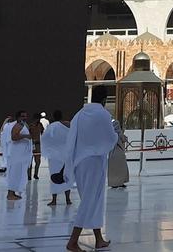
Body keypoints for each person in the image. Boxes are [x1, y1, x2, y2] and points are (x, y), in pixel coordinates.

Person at [64, 85, 117, 252]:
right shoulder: (103, 114)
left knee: (94, 199)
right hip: (93, 161)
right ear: (105, 99)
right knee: (89, 200)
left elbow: (72, 138)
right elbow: (110, 137)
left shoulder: (79, 114)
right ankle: (73, 241)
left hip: (80, 162)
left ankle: (98, 239)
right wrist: (117, 135)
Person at [43, 110, 74, 206]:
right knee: (66, 176)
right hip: (66, 154)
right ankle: (68, 199)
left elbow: (45, 139)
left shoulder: (51, 127)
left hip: (54, 156)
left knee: (54, 176)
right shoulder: (68, 125)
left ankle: (54, 200)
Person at [7, 110, 34, 201]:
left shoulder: (24, 126)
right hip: (17, 155)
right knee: (14, 173)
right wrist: (25, 136)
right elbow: (14, 137)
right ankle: (10, 194)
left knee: (18, 174)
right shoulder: (17, 126)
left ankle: (13, 192)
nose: (25, 118)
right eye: (22, 116)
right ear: (18, 117)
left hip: (22, 155)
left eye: (25, 116)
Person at [107, 119, 129, 188]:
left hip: (112, 155)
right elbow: (123, 139)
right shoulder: (118, 133)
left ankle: (113, 183)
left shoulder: (110, 134)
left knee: (113, 170)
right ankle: (120, 182)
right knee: (121, 169)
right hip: (119, 154)